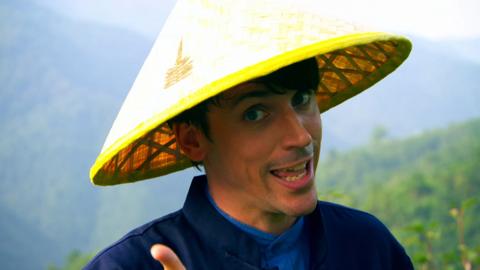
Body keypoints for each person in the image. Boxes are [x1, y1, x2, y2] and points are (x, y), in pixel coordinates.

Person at [85, 0, 413, 269]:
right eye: (255, 113)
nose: (300, 138)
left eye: (302, 99)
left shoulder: (367, 246)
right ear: (193, 140)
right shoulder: (130, 266)